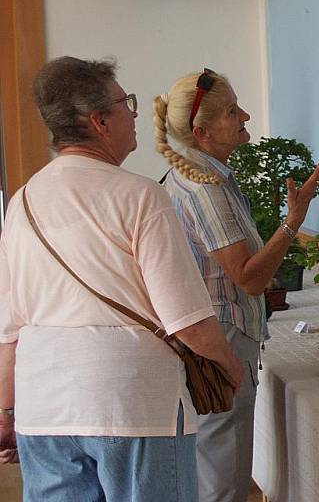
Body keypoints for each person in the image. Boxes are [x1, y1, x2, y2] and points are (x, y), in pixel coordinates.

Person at [0, 57, 244, 501]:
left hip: (44, 405)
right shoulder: (140, 195)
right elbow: (185, 318)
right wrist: (230, 367)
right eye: (125, 103)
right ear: (99, 122)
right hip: (132, 400)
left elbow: (9, 328)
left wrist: (6, 410)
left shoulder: (23, 202)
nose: (134, 113)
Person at [153, 69, 319, 502]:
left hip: (211, 337)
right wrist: (293, 223)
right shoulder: (204, 189)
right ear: (203, 131)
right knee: (222, 477)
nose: (245, 115)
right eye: (233, 111)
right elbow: (249, 279)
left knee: (213, 465)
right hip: (222, 338)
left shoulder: (199, 177)